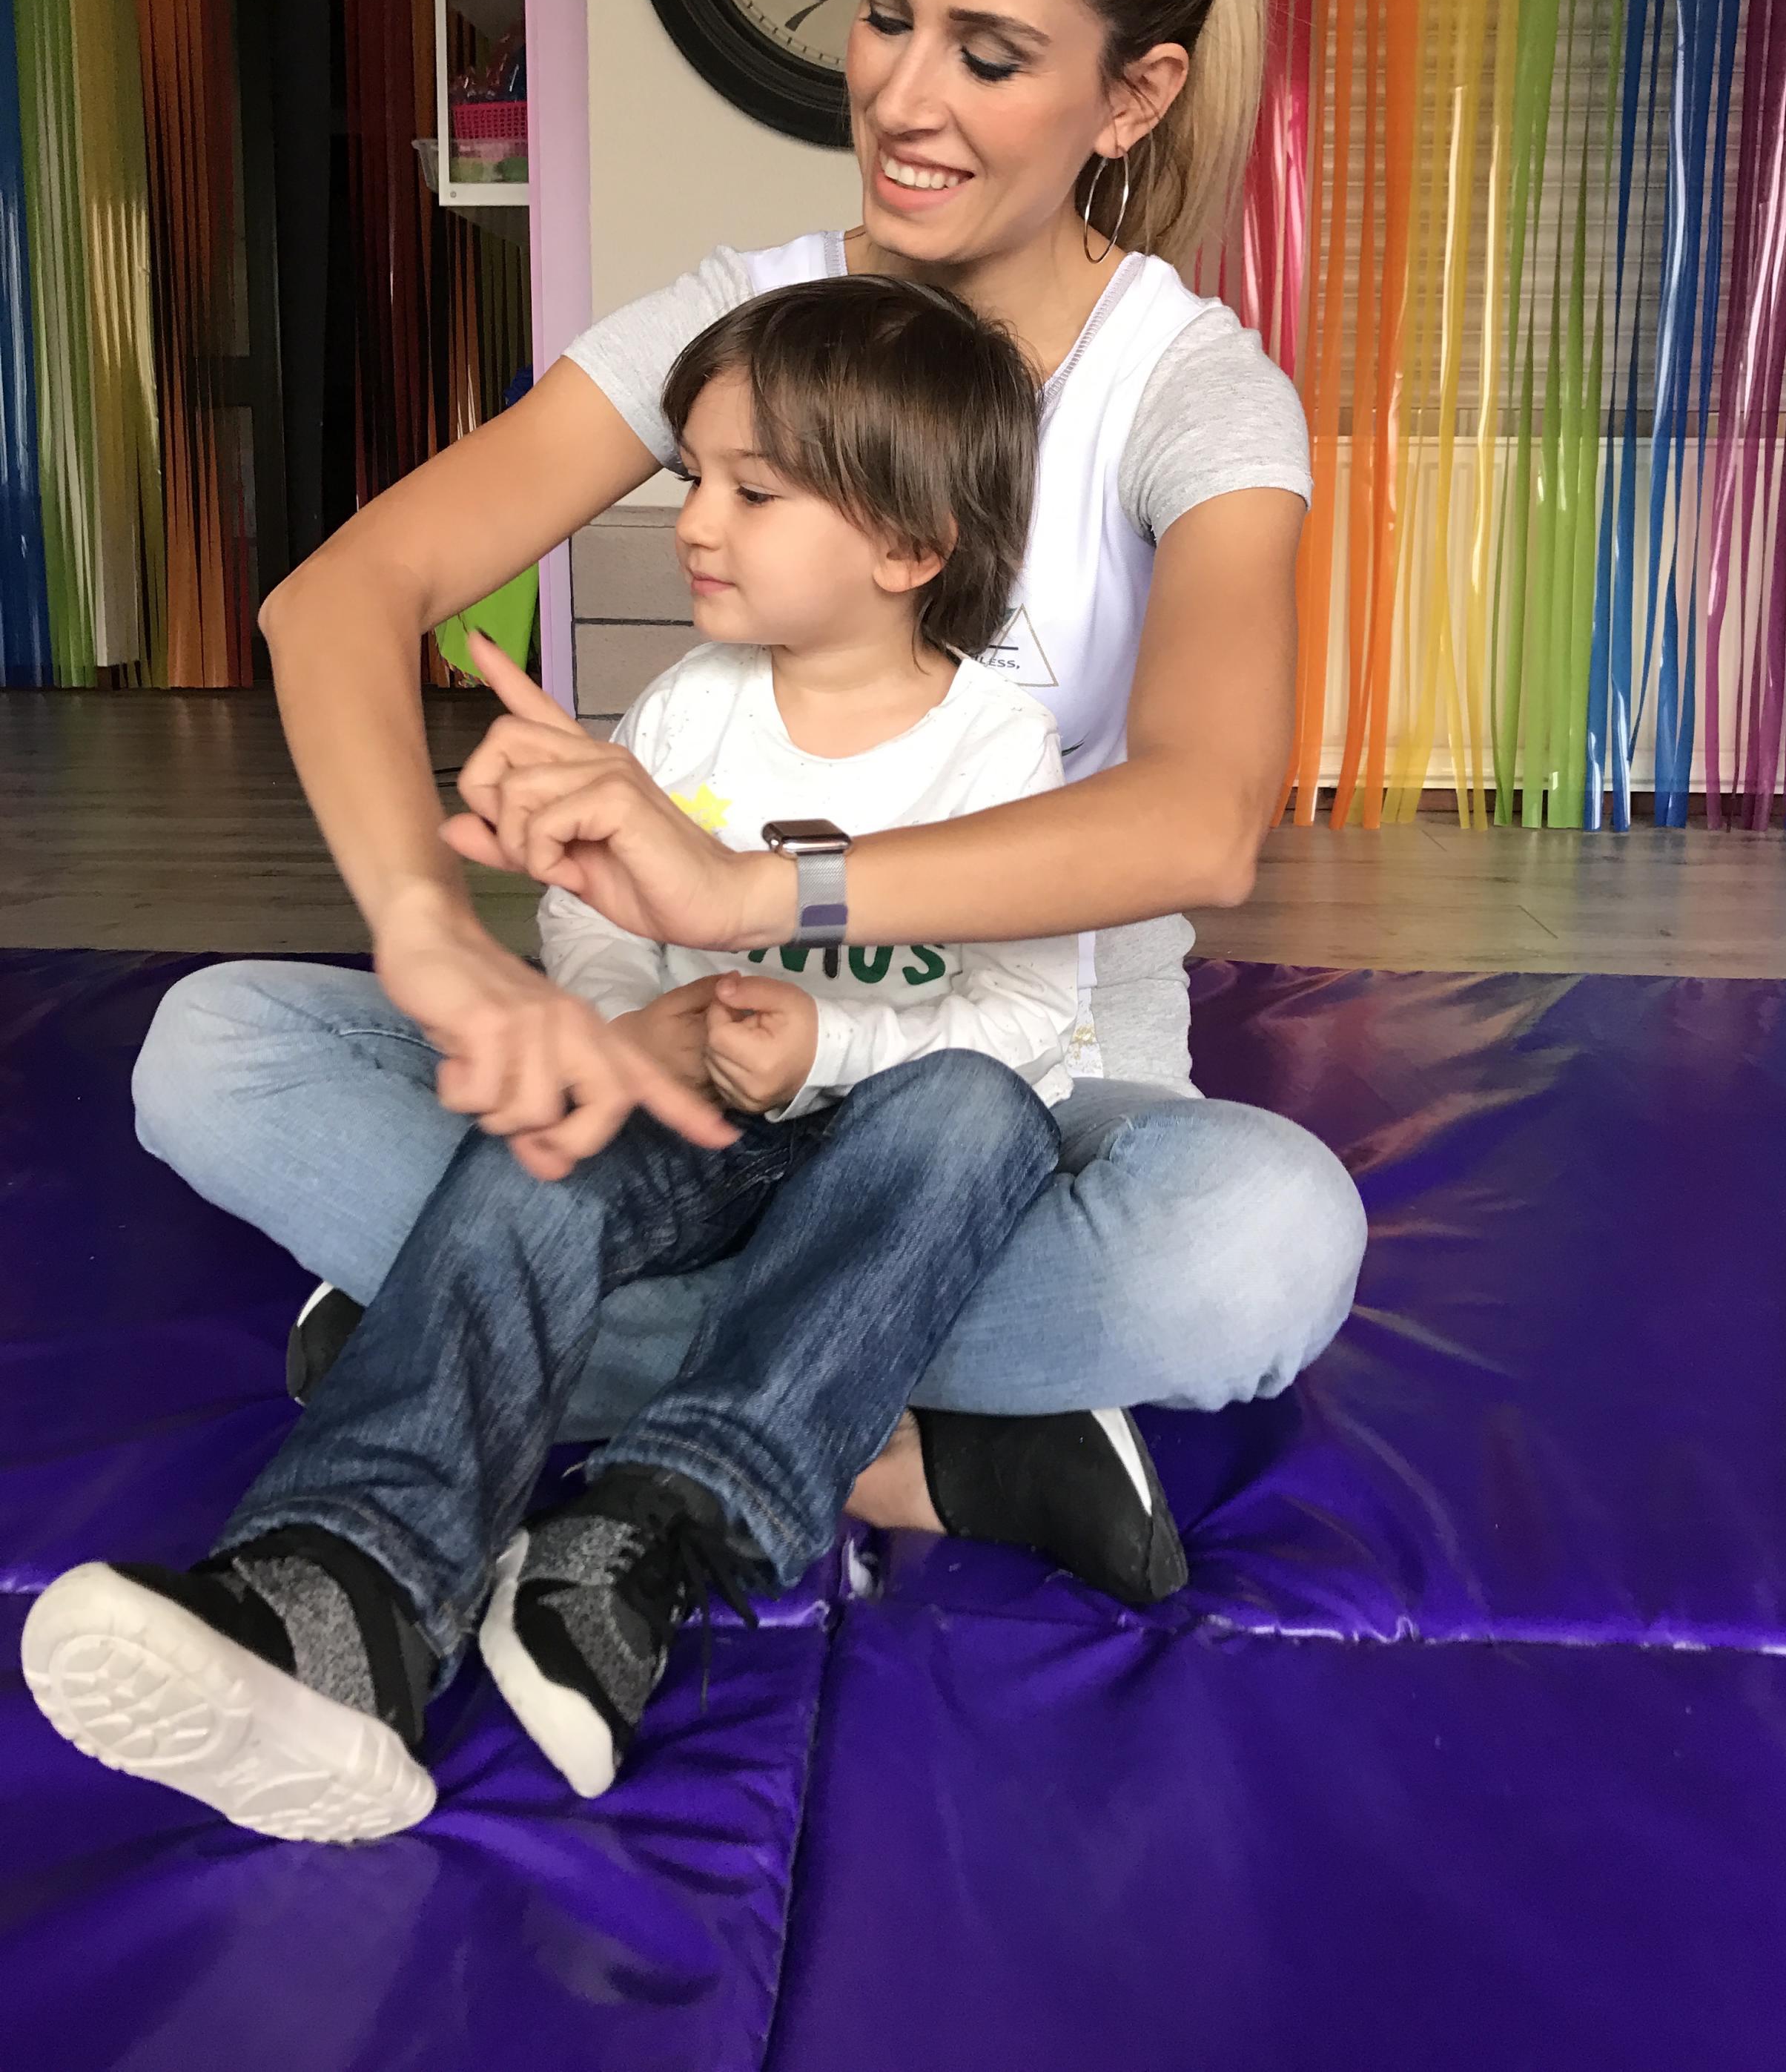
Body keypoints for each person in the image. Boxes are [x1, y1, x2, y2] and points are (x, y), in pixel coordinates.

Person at [128, 0, 1366, 1577]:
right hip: (684, 1078)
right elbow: (340, 596)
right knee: (212, 1047)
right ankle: (893, 1419)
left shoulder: (1192, 391)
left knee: (1261, 1240)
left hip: (1008, 1100)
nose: (902, 97)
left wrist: (751, 891)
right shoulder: (749, 318)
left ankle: (480, 1324)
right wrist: (425, 937)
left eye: (989, 54)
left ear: (1132, 93)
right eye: (882, 14)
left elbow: (1200, 816)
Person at [23, 277, 1160, 1844]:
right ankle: (343, 1591)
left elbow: (1029, 1014)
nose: (692, 520)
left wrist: (829, 1038)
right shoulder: (687, 708)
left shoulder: (996, 746)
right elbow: (596, 914)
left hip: (892, 1150)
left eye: (752, 491)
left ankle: (640, 1525)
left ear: (909, 549)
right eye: (692, 475)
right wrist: (629, 1026)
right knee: (544, 1125)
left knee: (982, 1115)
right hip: (691, 1120)